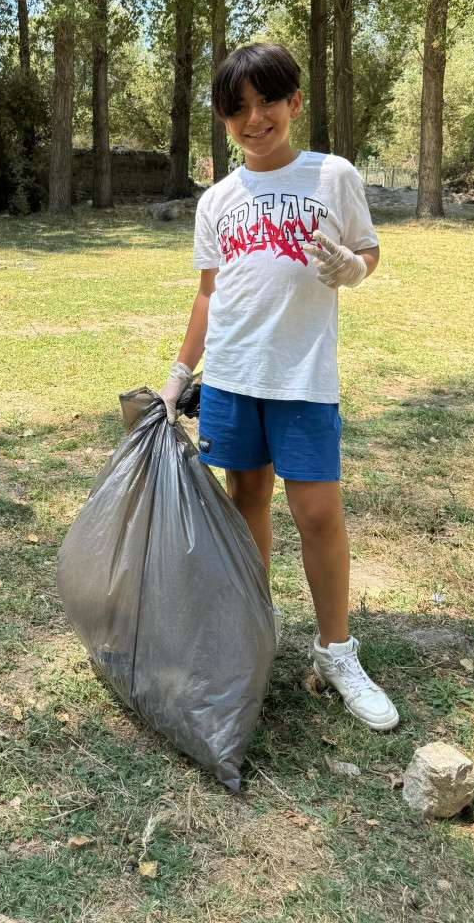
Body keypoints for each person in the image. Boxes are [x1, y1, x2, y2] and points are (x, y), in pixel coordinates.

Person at [160, 42, 398, 731]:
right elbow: (209, 293)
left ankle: (335, 652)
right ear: (224, 120)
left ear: (295, 102)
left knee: (318, 512)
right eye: (237, 109)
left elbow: (370, 250)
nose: (254, 119)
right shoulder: (219, 199)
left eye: (268, 102)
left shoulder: (333, 176)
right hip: (234, 375)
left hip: (303, 376)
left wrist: (354, 267)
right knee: (245, 499)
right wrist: (181, 373)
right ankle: (250, 634)